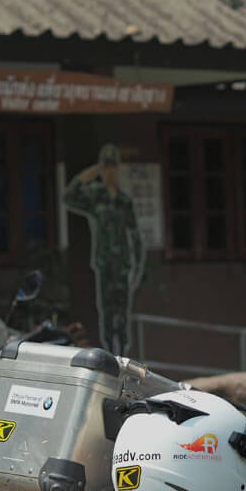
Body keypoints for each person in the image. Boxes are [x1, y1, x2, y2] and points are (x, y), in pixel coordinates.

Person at [64, 143, 145, 355]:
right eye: (106, 167)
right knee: (107, 313)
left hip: (123, 264)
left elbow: (135, 236)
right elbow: (69, 196)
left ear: (118, 169)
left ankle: (125, 355)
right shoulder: (95, 196)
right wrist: (92, 172)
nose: (110, 172)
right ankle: (111, 354)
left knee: (122, 314)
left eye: (112, 167)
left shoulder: (124, 201)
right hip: (104, 263)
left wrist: (137, 268)